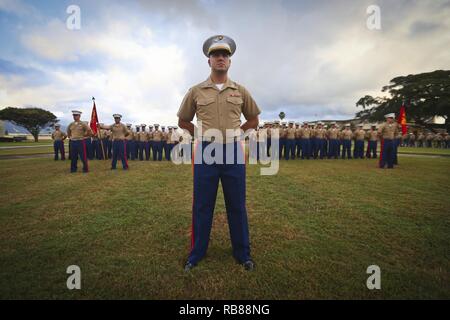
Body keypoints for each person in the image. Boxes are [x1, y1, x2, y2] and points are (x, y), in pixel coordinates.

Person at [177, 35, 260, 271]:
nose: (221, 58)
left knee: (237, 204)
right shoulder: (196, 91)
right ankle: (197, 253)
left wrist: (237, 132)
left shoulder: (240, 90)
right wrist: (201, 134)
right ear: (209, 61)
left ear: (230, 61)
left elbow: (253, 119)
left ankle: (243, 253)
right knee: (202, 205)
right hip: (206, 151)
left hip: (233, 151)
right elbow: (183, 120)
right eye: (216, 55)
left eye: (225, 55)